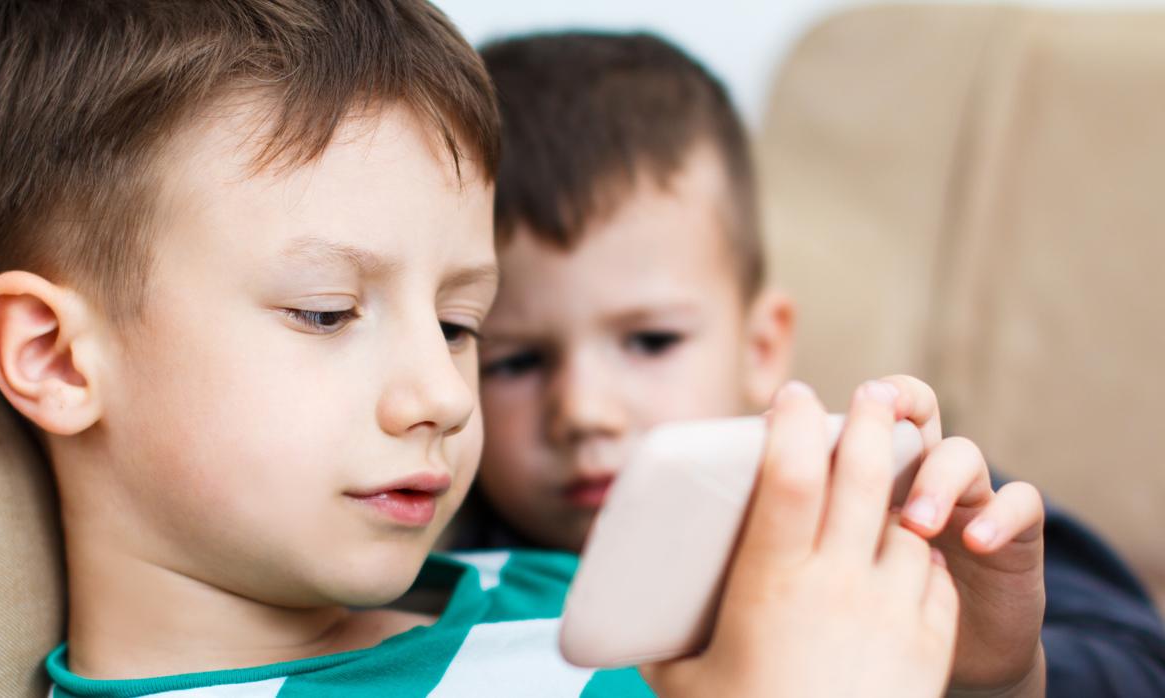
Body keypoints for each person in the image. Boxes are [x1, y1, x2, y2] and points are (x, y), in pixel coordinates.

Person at [0, 2, 959, 696]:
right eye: (327, 312)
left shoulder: (540, 584)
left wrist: (989, 672)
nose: (440, 395)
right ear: (55, 356)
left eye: (461, 323)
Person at [459, 30, 1165, 697]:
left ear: (761, 347)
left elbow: (1139, 665)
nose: (583, 411)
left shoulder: (887, 499)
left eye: (651, 342)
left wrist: (997, 675)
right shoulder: (440, 559)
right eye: (516, 360)